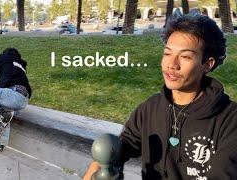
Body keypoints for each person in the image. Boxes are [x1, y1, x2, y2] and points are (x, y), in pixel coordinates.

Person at [84, 13, 237, 180]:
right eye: (167, 53)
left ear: (207, 64)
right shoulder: (150, 109)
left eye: (185, 56)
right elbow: (114, 151)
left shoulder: (230, 121)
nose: (172, 65)